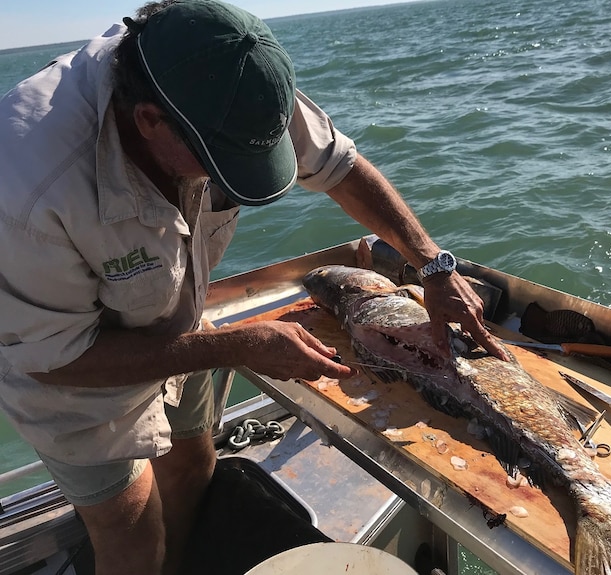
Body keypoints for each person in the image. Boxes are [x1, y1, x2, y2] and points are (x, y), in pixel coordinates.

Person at [0, 1, 507, 573]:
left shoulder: (237, 80)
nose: (232, 178)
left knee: (194, 467)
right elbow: (55, 360)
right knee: (130, 532)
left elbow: (341, 169)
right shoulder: (27, 186)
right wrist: (235, 345)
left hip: (176, 321)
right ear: (147, 121)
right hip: (71, 377)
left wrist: (433, 266)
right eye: (222, 162)